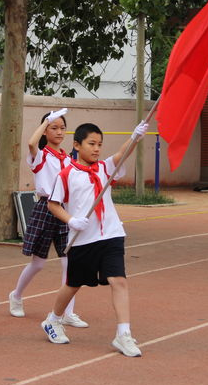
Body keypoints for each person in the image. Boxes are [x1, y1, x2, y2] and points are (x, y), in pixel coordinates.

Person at [40, 120, 149, 357]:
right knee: (73, 284)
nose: (97, 148)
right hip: (82, 240)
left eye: (100, 144)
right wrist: (70, 220)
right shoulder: (67, 174)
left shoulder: (104, 168)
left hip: (111, 234)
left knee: (118, 280)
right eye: (91, 143)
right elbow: (53, 204)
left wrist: (135, 137)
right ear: (77, 145)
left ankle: (123, 334)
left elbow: (121, 155)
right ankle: (53, 320)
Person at [8, 108, 88, 328]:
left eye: (62, 128)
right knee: (38, 263)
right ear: (44, 130)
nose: (60, 132)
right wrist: (46, 121)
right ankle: (16, 295)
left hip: (65, 210)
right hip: (45, 208)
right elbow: (32, 143)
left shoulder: (69, 158)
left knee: (68, 263)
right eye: (54, 127)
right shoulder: (41, 155)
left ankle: (66, 313)